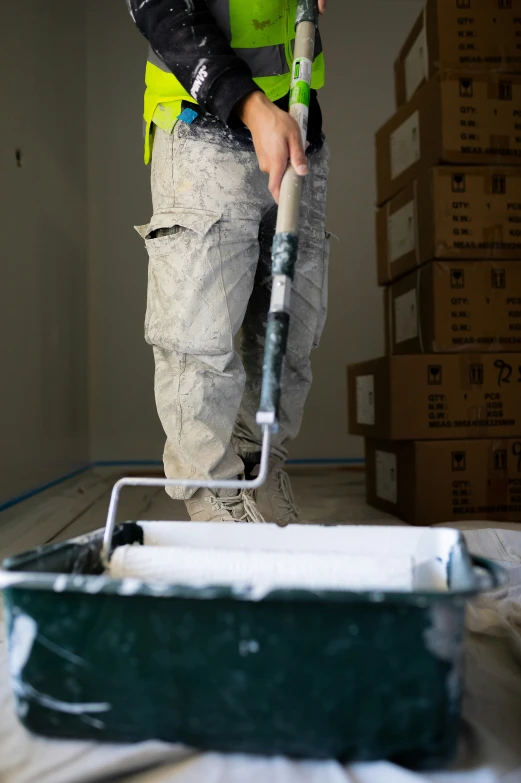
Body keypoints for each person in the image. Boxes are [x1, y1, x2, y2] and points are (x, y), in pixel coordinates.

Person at [127, 0, 329, 525]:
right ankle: (211, 493)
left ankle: (257, 472)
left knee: (289, 335)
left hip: (298, 125)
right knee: (200, 337)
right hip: (204, 119)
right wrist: (250, 105)